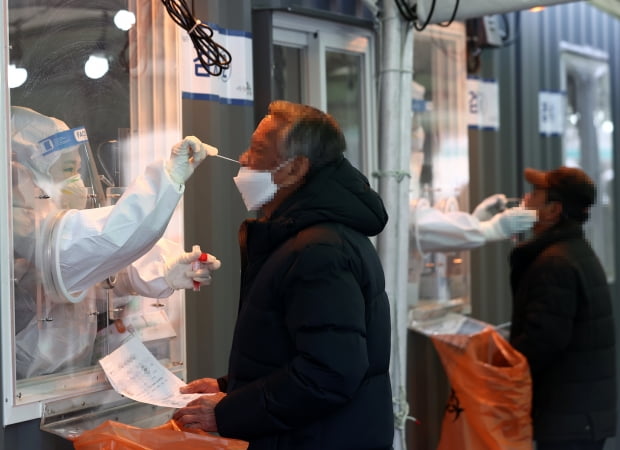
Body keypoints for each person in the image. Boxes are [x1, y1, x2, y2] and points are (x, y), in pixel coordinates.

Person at [173, 100, 394, 449]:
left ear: (295, 170)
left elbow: (330, 373)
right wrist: (231, 386)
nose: (244, 159)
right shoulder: (297, 237)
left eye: (257, 151)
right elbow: (295, 350)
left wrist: (230, 412)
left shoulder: (320, 250)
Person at [11, 105, 221, 378]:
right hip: (21, 391)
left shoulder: (46, 225)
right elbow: (80, 251)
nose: (78, 180)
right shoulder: (19, 227)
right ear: (27, 176)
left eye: (78, 168)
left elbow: (95, 280)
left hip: (62, 381)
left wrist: (160, 271)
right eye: (67, 169)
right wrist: (167, 179)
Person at [508, 166, 616, 450]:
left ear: (553, 210)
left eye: (534, 194)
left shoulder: (554, 262)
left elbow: (542, 340)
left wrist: (501, 363)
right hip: (579, 414)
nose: (525, 198)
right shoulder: (573, 251)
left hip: (566, 418)